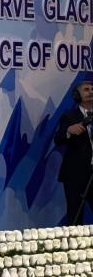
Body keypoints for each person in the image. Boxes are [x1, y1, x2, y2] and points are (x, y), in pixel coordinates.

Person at [55, 76, 93, 225]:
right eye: (86, 90)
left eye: (92, 89)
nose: (90, 92)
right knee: (75, 215)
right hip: (75, 174)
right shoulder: (69, 116)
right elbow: (58, 139)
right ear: (77, 95)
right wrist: (68, 131)